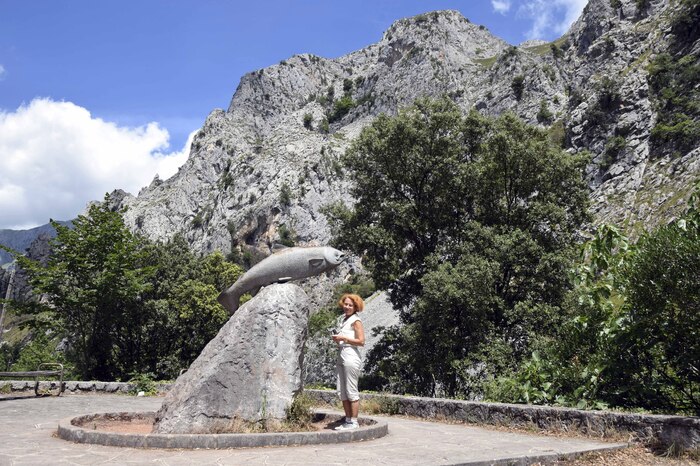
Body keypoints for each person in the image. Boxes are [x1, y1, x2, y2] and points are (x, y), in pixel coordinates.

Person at [331, 293, 365, 430]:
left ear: (355, 307)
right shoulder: (344, 319)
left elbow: (361, 341)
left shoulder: (356, 321)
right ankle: (348, 420)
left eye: (350, 305)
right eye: (346, 304)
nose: (347, 307)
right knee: (342, 390)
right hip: (342, 353)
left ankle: (354, 422)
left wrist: (344, 339)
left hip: (350, 354)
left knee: (351, 389)